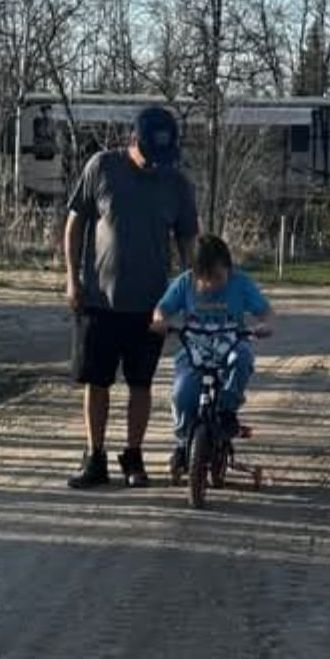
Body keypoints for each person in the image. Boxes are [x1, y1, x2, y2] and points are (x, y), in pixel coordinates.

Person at [65, 105, 198, 489]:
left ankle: (134, 456)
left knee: (140, 384)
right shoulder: (102, 168)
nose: (157, 165)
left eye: (165, 157)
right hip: (99, 301)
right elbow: (75, 224)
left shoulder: (177, 185)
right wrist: (72, 279)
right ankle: (94, 457)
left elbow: (189, 241)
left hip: (152, 305)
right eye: (151, 156)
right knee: (97, 380)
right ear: (133, 142)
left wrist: (193, 292)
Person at [151, 234, 273, 476]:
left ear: (228, 268)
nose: (212, 285)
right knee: (182, 393)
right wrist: (159, 321)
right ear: (194, 273)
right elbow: (162, 309)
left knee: (242, 359)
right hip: (195, 349)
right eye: (204, 279)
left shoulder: (240, 284)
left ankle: (227, 412)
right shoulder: (184, 284)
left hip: (230, 345)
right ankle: (183, 441)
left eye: (217, 277)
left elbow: (266, 311)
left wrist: (264, 325)